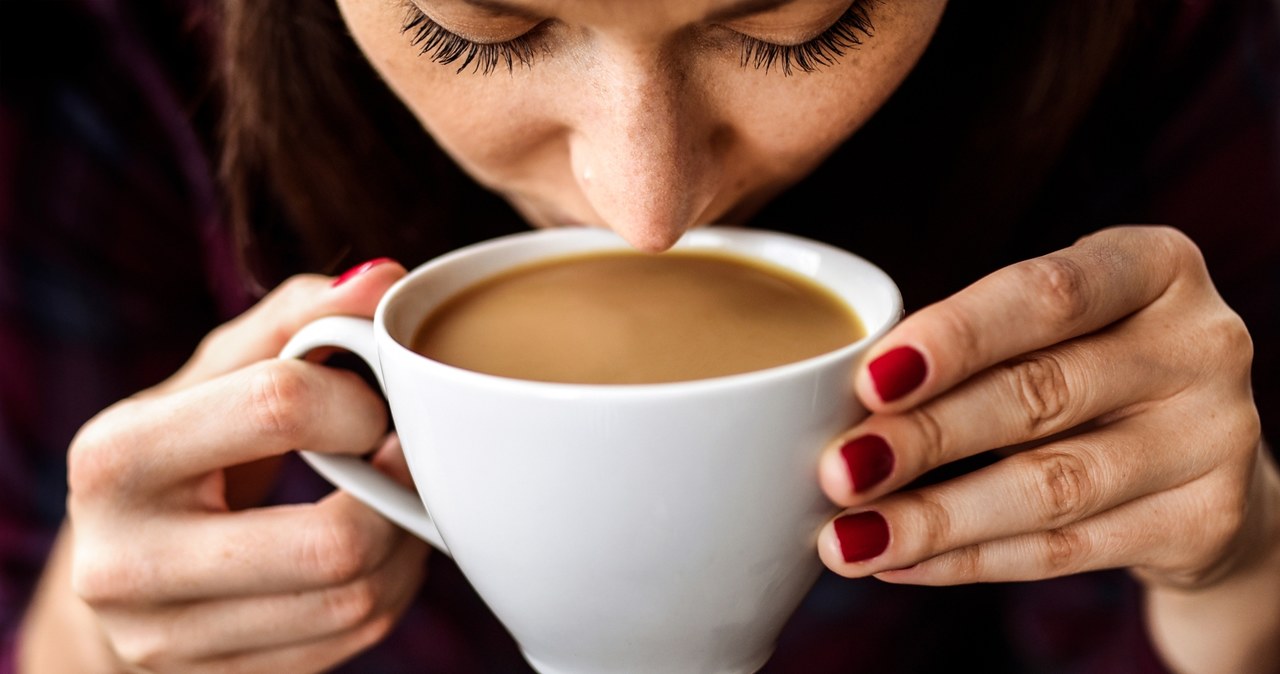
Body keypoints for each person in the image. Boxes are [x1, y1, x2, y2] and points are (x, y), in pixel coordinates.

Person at [2, 0, 1278, 672]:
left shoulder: (1167, 48)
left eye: (798, 26)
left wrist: (1238, 572)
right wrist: (92, 644)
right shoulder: (100, 72)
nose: (644, 205)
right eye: (479, 25)